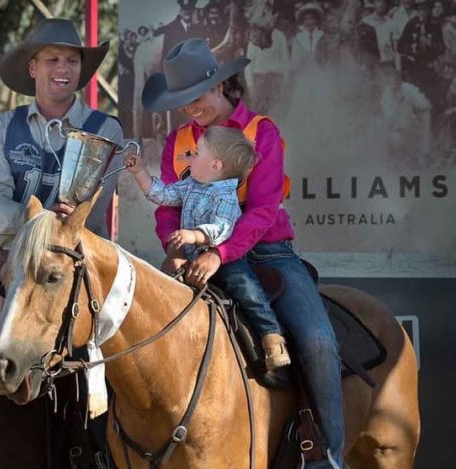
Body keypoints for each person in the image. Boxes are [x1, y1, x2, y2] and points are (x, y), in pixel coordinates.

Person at [141, 38, 344, 468]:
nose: (189, 108)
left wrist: (223, 253)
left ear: (221, 86)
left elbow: (265, 209)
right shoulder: (179, 142)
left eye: (194, 97)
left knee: (319, 341)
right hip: (194, 253)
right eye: (181, 102)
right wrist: (173, 250)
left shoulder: (261, 132)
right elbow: (168, 208)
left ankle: (324, 455)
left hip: (267, 253)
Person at [124, 125, 292, 370]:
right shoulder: (191, 184)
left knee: (245, 286)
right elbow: (163, 194)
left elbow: (222, 228)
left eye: (197, 153)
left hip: (222, 259)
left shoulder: (225, 196)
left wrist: (194, 235)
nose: (190, 157)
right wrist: (139, 172)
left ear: (215, 166)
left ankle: (270, 333)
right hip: (192, 258)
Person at [0, 18, 124, 279]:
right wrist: (42, 219)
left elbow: (91, 214)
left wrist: (25, 237)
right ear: (33, 68)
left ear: (80, 70)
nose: (63, 68)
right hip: (8, 261)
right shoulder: (0, 128)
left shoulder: (106, 131)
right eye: (52, 60)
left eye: (72, 61)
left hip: (78, 267)